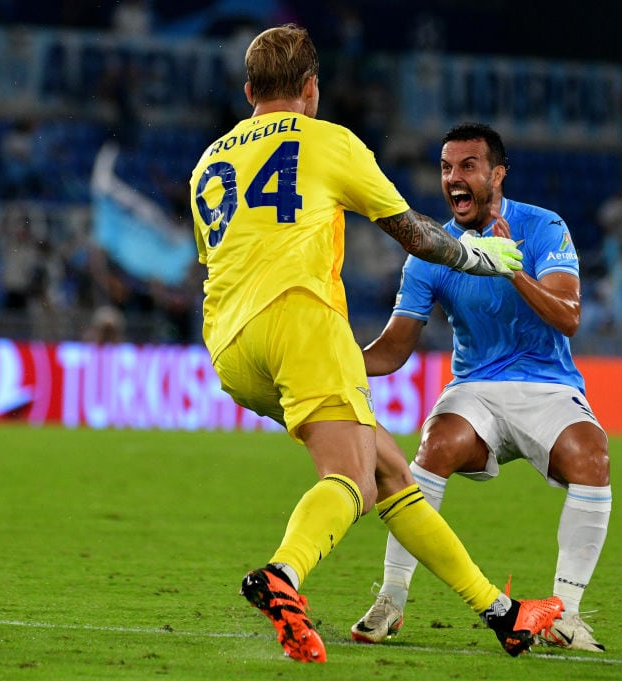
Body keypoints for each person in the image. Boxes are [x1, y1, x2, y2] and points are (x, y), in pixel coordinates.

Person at [189, 25, 562, 664]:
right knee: (353, 477)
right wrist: (477, 256)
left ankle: (503, 614)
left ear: (250, 90)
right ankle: (283, 575)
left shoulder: (208, 162)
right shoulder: (328, 140)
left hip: (228, 344)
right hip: (301, 320)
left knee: (390, 472)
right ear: (311, 87)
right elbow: (414, 234)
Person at [350, 122, 612, 652]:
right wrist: (339, 365)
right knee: (435, 445)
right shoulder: (434, 250)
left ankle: (567, 616)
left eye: (467, 166)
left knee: (593, 458)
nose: (453, 178)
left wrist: (509, 267)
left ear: (497, 174)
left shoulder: (543, 228)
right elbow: (396, 347)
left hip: (548, 388)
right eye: (446, 168)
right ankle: (391, 600)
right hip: (476, 388)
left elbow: (569, 317)